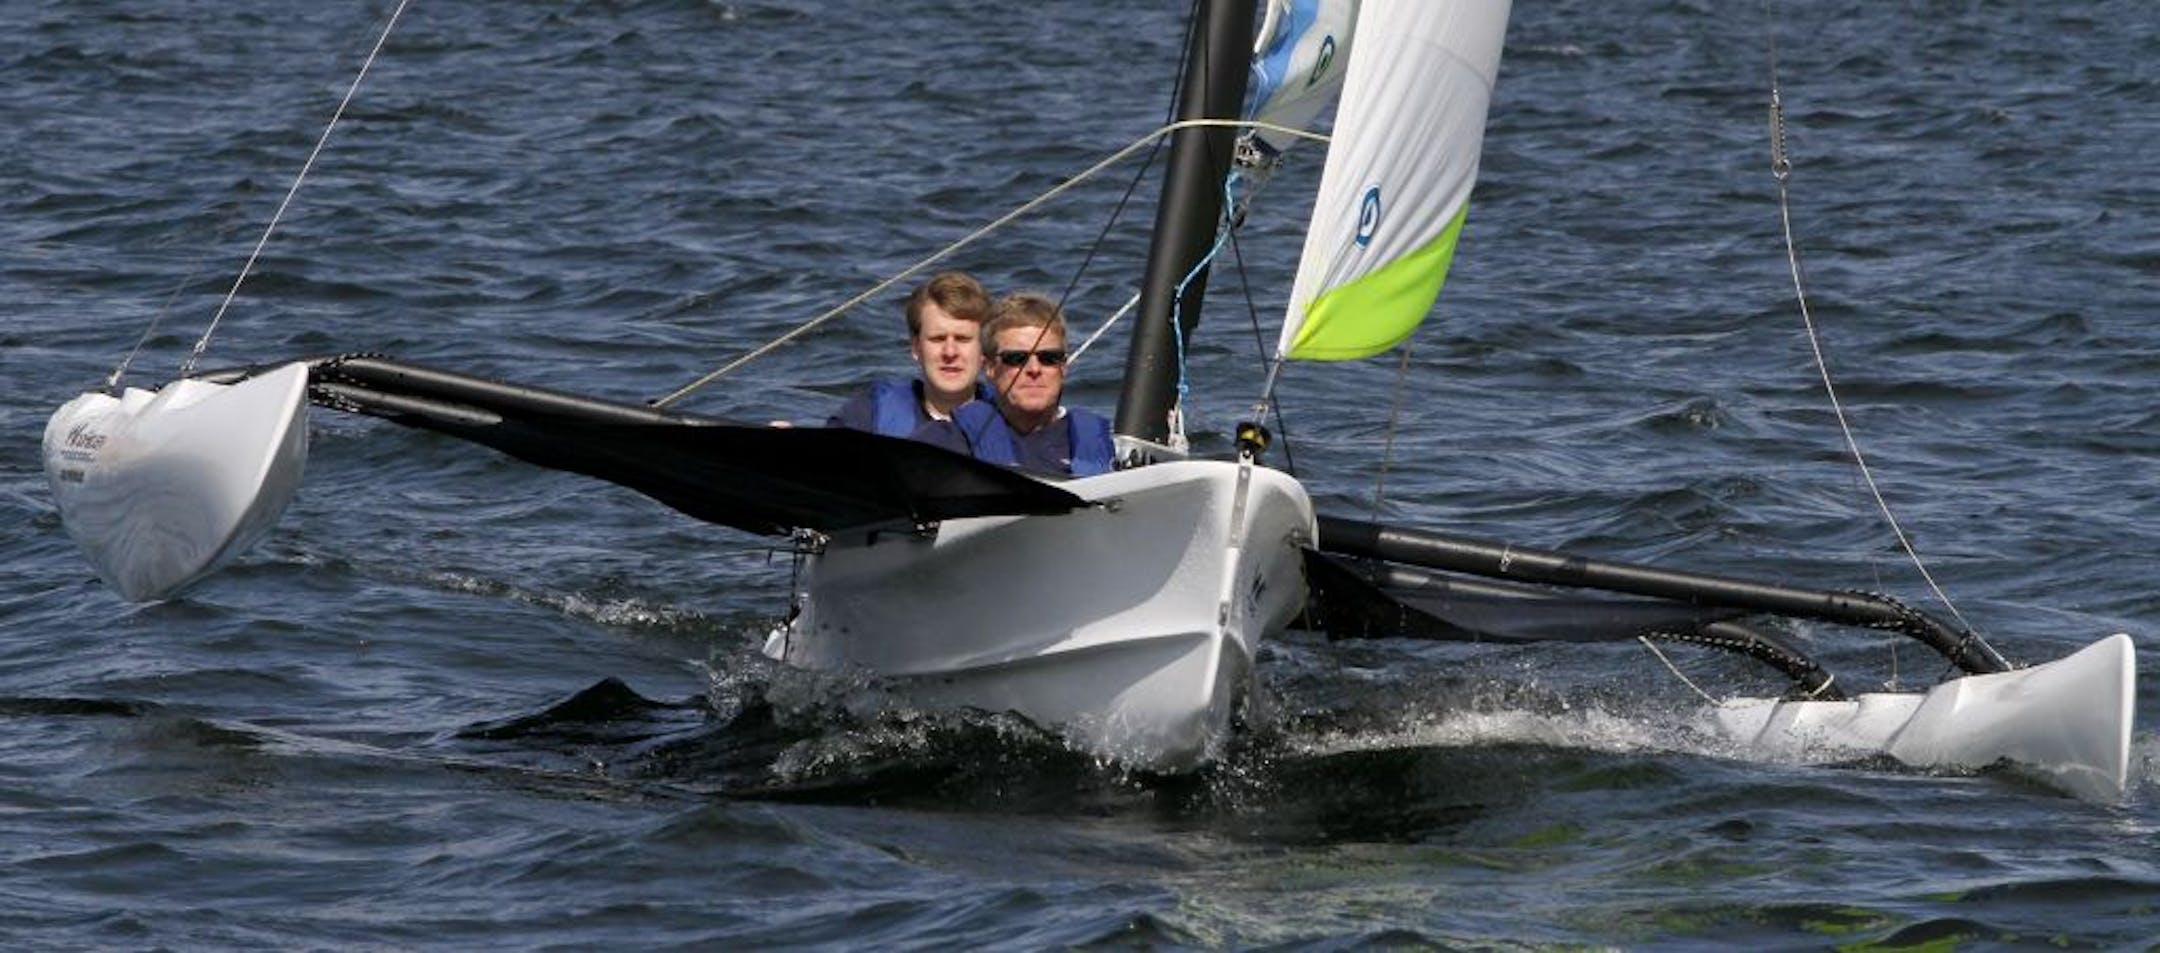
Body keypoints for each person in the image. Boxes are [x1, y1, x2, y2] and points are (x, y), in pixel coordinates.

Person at [913, 291, 1115, 478]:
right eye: (1017, 358)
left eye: (1049, 358)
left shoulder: (1103, 447)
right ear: (989, 368)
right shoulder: (943, 443)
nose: (1034, 369)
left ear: (1064, 367)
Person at [826, 271, 995, 436]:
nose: (950, 352)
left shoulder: (1011, 418)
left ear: (984, 349)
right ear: (916, 348)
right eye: (938, 339)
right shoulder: (867, 414)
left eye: (962, 339)